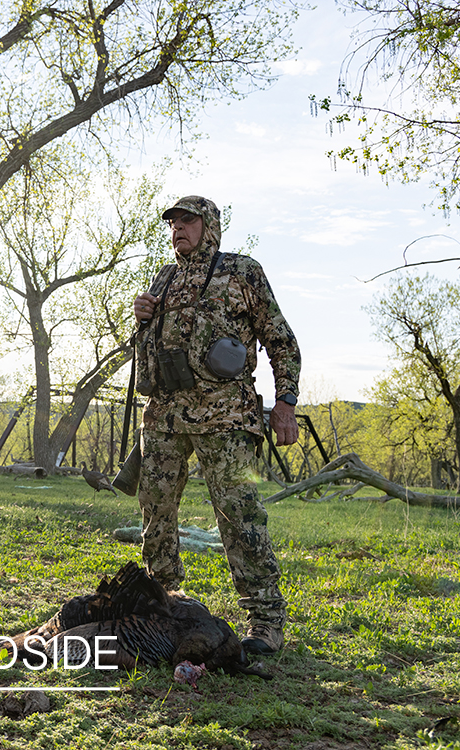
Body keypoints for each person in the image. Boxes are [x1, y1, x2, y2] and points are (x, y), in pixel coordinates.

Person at [130, 195, 301, 655]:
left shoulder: (243, 271)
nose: (178, 229)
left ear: (210, 225)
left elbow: (280, 340)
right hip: (165, 414)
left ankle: (265, 619)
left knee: (238, 512)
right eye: (173, 223)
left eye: (188, 221)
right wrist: (142, 318)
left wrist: (285, 401)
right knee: (156, 508)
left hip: (224, 413)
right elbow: (149, 345)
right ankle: (163, 600)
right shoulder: (165, 278)